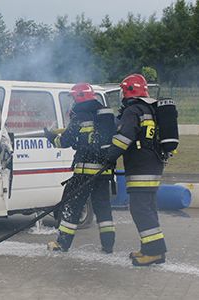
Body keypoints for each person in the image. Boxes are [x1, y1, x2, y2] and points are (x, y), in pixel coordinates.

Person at [104, 74, 167, 266]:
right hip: (154, 165)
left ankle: (154, 253)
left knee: (140, 209)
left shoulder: (132, 111)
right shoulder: (151, 109)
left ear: (127, 92)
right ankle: (152, 250)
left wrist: (108, 157)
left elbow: (124, 139)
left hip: (140, 167)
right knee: (148, 208)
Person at [45, 83, 115, 253]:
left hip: (85, 171)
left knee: (71, 206)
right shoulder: (103, 114)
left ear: (78, 97)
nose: (72, 101)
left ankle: (62, 243)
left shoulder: (80, 115)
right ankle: (108, 245)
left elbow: (65, 141)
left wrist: (50, 137)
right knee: (103, 208)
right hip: (103, 171)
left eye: (73, 97)